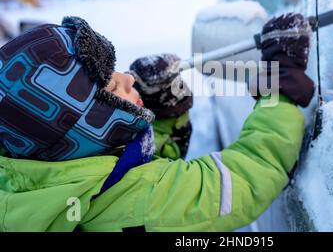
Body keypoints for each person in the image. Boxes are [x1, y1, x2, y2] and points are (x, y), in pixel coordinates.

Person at [0, 13, 315, 232]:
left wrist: (162, 115)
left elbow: (129, 176)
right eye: (112, 87)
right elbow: (248, 175)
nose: (126, 77)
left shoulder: (38, 172)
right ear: (85, 130)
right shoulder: (141, 205)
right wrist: (279, 87)